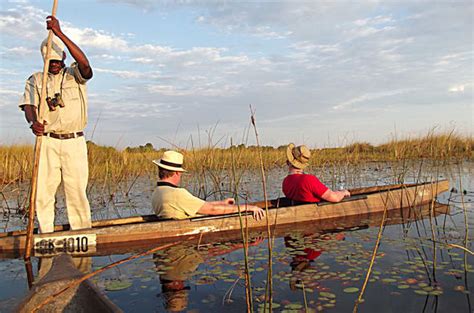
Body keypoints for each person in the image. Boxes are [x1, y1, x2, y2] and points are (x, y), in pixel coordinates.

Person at [19, 16, 93, 233]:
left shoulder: (74, 75)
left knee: (76, 191)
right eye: (49, 62)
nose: (54, 65)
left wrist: (59, 32)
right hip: (48, 141)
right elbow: (28, 105)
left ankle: (81, 233)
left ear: (63, 57)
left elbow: (86, 65)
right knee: (43, 191)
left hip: (74, 141)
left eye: (57, 61)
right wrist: (34, 122)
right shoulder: (35, 79)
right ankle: (46, 233)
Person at [151, 150, 265, 220]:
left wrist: (221, 203)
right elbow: (212, 209)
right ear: (176, 172)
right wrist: (248, 208)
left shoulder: (157, 192)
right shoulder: (177, 194)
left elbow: (199, 206)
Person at [282, 143, 350, 204]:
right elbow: (335, 198)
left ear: (288, 162)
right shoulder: (308, 179)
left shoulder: (285, 182)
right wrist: (343, 192)